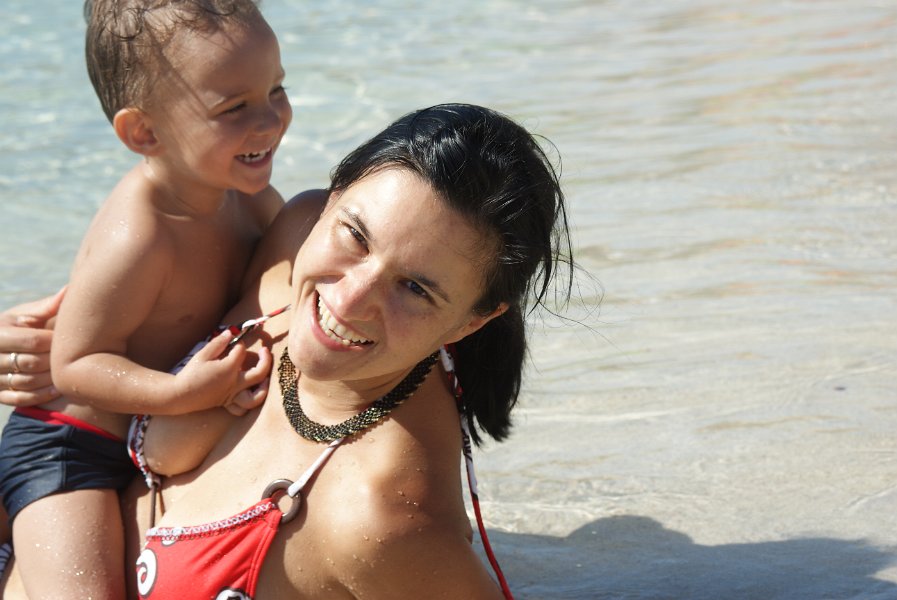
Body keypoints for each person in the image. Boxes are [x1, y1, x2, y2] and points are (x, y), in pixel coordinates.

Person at [2, 103, 574, 599]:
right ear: (331, 198)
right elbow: (141, 321)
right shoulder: (288, 246)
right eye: (356, 236)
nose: (349, 300)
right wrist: (37, 345)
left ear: (472, 322)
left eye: (415, 289)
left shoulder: (380, 521)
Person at [0, 0, 290, 597]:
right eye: (233, 108)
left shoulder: (253, 201)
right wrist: (181, 395)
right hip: (69, 447)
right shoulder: (140, 234)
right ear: (144, 133)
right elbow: (75, 365)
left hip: (149, 435)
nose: (269, 120)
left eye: (277, 90)